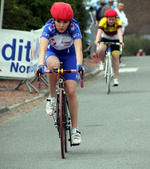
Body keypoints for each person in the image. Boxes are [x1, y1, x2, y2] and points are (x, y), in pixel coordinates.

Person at [34, 2, 86, 145]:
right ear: (53, 19)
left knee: (70, 91)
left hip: (70, 56)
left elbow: (78, 50)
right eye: (58, 21)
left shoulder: (74, 27)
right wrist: (39, 65)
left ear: (69, 21)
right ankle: (51, 97)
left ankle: (75, 130)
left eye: (65, 22)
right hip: (53, 53)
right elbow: (42, 50)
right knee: (52, 65)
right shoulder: (49, 27)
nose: (62, 25)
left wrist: (79, 65)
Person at [95, 9, 124, 86]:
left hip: (115, 38)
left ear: (115, 18)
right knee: (101, 49)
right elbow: (99, 32)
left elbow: (120, 33)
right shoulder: (103, 21)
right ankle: (103, 62)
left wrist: (121, 42)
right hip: (105, 37)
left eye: (113, 19)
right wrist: (97, 40)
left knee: (115, 57)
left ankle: (115, 78)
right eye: (109, 19)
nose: (111, 21)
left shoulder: (118, 22)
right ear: (106, 18)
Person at [115, 1, 128, 67]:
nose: (121, 7)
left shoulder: (122, 13)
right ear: (117, 6)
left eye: (122, 6)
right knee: (116, 47)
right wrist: (122, 22)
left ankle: (119, 61)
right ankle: (116, 62)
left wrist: (123, 22)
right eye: (120, 6)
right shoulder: (115, 12)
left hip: (122, 32)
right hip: (115, 33)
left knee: (120, 46)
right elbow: (120, 22)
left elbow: (126, 22)